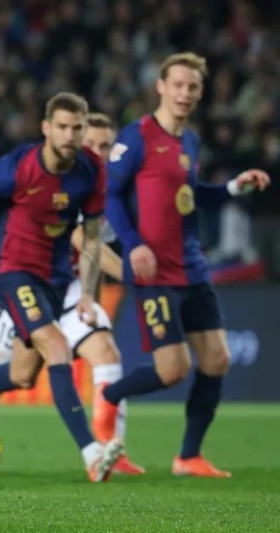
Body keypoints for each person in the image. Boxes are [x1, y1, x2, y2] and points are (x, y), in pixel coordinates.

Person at [0, 113, 145, 475]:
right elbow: (81, 240)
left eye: (106, 146)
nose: (98, 152)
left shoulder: (106, 187)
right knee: (15, 376)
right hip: (28, 280)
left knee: (106, 352)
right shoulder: (65, 180)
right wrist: (131, 274)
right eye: (91, 144)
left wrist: (91, 297)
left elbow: (91, 250)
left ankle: (108, 452)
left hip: (70, 288)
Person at [101, 52, 271, 478]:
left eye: (192, 87)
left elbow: (192, 195)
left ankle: (188, 456)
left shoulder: (190, 142)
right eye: (177, 84)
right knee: (172, 370)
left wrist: (233, 187)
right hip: (153, 271)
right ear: (160, 86)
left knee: (217, 360)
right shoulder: (136, 136)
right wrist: (133, 244)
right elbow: (111, 197)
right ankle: (109, 395)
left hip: (192, 268)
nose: (184, 93)